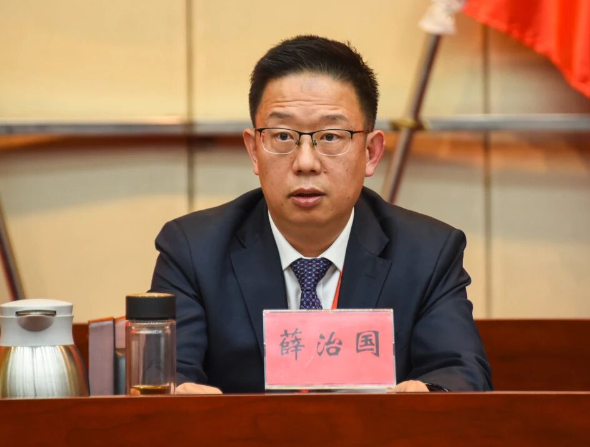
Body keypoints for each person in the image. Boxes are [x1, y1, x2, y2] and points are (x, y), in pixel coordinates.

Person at [150, 35, 492, 394]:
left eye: (330, 137)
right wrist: (179, 395)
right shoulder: (194, 251)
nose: (305, 162)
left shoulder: (427, 253)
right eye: (283, 136)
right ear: (254, 150)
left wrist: (430, 396)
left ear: (371, 153)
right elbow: (167, 374)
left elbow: (461, 373)